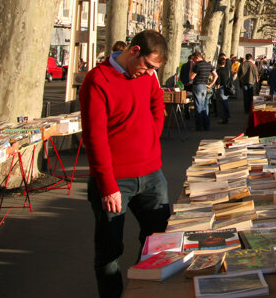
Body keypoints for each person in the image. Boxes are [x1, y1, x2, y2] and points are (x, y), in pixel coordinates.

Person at [79, 29, 170, 298]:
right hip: (115, 179)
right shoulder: (97, 80)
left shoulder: (148, 76)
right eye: (148, 65)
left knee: (160, 239)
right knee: (109, 251)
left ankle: (146, 289)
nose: (149, 72)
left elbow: (157, 100)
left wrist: (153, 132)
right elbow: (94, 138)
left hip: (151, 172)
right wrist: (107, 186)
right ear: (134, 51)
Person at [189, 51, 217, 130]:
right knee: (204, 106)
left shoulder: (197, 65)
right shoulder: (209, 65)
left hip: (197, 85)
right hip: (205, 86)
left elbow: (191, 77)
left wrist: (191, 67)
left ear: (197, 58)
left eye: (193, 59)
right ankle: (206, 125)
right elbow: (216, 75)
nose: (193, 61)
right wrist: (210, 85)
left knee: (198, 106)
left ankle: (199, 126)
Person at [214, 57, 232, 125]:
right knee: (225, 102)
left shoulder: (218, 71)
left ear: (218, 63)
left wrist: (217, 86)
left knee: (221, 104)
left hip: (221, 87)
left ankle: (223, 118)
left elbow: (218, 81)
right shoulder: (228, 70)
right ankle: (226, 116)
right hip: (227, 87)